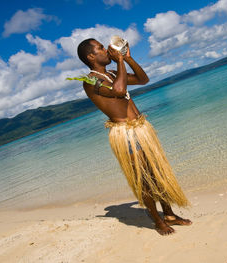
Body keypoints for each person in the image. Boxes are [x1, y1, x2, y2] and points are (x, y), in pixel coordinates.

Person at [77, 38, 192, 235]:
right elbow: (119, 91)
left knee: (158, 173)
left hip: (141, 128)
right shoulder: (90, 80)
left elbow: (143, 80)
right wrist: (120, 61)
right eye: (101, 48)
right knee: (144, 179)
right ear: (91, 56)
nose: (107, 50)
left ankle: (169, 215)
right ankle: (157, 221)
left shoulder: (113, 73)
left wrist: (128, 59)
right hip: (126, 134)